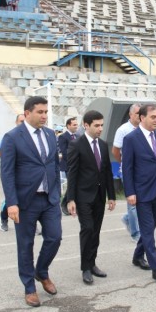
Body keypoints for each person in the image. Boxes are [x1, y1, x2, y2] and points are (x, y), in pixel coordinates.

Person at [0, 96, 62, 308]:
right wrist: (12, 203)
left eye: (46, 112)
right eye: (40, 112)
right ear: (27, 113)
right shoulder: (12, 137)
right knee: (25, 245)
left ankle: (41, 271)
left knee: (54, 238)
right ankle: (29, 287)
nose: (44, 116)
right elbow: (7, 173)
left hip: (49, 198)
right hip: (25, 201)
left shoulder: (50, 135)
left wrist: (57, 192)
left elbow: (54, 165)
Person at [122, 104, 156, 283]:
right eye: (153, 117)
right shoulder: (131, 138)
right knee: (147, 230)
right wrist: (129, 192)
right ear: (142, 118)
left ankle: (138, 256)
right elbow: (127, 167)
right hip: (142, 191)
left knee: (150, 228)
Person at [66, 110, 116, 285]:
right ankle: (85, 268)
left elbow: (107, 172)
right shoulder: (76, 145)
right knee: (87, 228)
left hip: (100, 196)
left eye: (102, 125)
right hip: (83, 197)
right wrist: (70, 199)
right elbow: (72, 173)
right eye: (96, 125)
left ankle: (93, 263)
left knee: (95, 231)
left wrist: (111, 196)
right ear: (86, 125)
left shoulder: (103, 145)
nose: (100, 128)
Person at [112, 103, 141, 241]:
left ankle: (127, 218)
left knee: (141, 202)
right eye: (137, 114)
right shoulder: (123, 130)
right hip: (128, 172)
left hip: (142, 172)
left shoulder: (143, 128)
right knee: (133, 203)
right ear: (130, 115)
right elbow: (115, 151)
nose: (140, 116)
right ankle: (136, 234)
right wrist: (124, 164)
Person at [0, 113, 25, 232]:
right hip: (13, 174)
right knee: (10, 200)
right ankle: (4, 218)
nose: (23, 124)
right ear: (16, 122)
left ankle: (30, 225)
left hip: (27, 176)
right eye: (21, 121)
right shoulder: (10, 137)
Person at [57, 117, 78, 215]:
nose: (76, 126)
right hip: (68, 165)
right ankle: (64, 204)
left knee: (75, 185)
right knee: (71, 185)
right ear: (68, 125)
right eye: (74, 125)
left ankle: (72, 204)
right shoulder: (63, 137)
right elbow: (64, 152)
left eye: (76, 124)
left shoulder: (77, 136)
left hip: (77, 165)